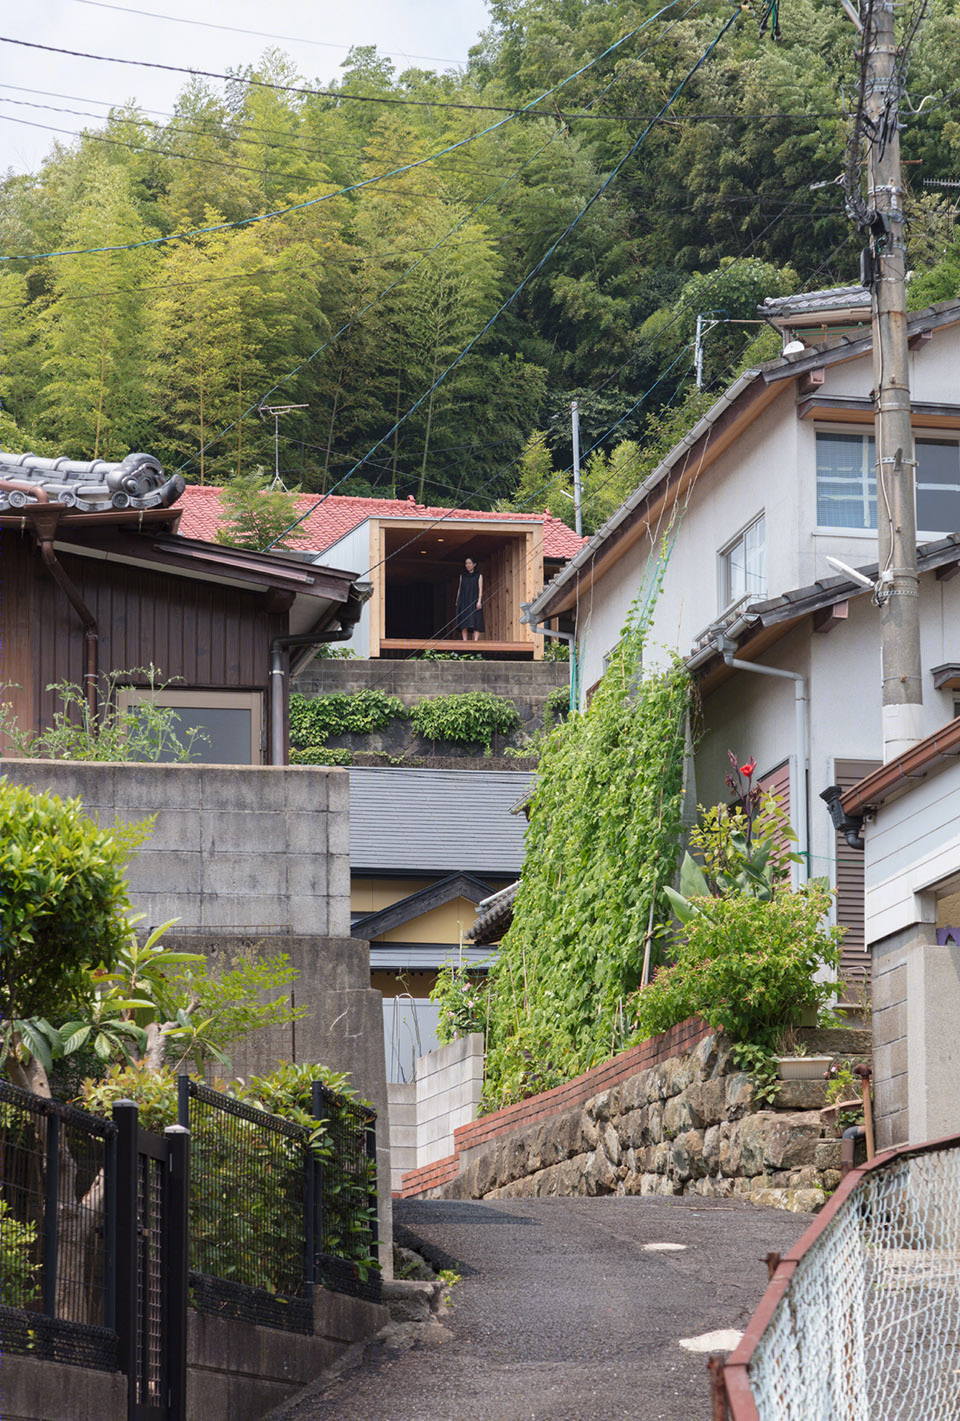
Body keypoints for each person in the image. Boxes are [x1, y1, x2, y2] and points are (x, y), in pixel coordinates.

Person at [455, 557, 484, 642]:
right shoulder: (462, 576)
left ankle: (475, 640)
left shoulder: (479, 576)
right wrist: (457, 600)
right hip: (464, 599)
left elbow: (480, 589)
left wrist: (479, 601)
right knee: (463, 618)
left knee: (476, 618)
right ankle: (465, 640)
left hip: (474, 599)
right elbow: (459, 588)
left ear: (474, 564)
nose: (467, 565)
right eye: (466, 563)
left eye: (469, 563)